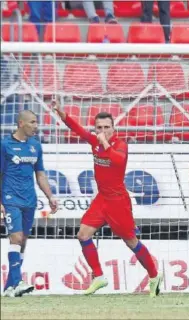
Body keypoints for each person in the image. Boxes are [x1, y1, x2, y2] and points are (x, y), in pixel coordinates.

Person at [52, 99, 161, 296]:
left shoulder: (120, 145)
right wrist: (63, 114)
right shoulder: (94, 141)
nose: (103, 131)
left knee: (131, 242)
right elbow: (78, 130)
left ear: (113, 128)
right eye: (99, 127)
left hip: (118, 201)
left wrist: (104, 143)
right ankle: (99, 276)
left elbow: (118, 162)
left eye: (107, 127)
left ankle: (154, 275)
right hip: (102, 198)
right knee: (83, 234)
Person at [1, 110, 58, 297]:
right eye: (32, 122)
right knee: (15, 238)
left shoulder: (35, 146)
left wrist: (50, 197)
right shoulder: (4, 145)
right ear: (20, 123)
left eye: (37, 122)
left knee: (23, 242)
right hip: (10, 199)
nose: (36, 126)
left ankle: (9, 287)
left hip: (30, 200)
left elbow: (40, 175)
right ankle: (18, 282)